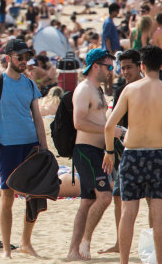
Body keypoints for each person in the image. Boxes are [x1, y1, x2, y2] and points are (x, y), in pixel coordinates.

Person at [0, 39, 47, 258]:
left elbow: (38, 119)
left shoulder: (30, 84)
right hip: (8, 146)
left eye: (26, 57)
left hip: (31, 145)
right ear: (8, 57)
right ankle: (7, 249)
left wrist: (45, 148)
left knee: (34, 196)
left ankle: (26, 242)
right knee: (7, 197)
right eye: (20, 57)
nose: (24, 61)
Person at [103, 45, 162, 264]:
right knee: (158, 214)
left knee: (128, 213)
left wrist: (109, 152)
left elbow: (109, 126)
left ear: (142, 65)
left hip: (132, 155)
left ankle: (124, 261)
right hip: (158, 155)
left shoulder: (130, 90)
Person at [67, 48, 120, 260]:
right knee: (104, 197)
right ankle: (85, 243)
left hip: (97, 151)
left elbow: (100, 120)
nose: (111, 71)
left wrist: (115, 133)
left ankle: (73, 251)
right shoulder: (84, 89)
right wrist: (109, 130)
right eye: (108, 66)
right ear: (95, 66)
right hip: (86, 151)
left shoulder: (97, 90)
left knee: (87, 202)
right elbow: (78, 122)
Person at [97, 48, 142, 255]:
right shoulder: (120, 90)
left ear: (139, 66)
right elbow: (115, 123)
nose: (125, 72)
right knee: (118, 197)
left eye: (129, 67)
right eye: (122, 68)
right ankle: (119, 243)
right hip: (125, 150)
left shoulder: (149, 87)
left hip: (146, 149)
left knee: (152, 201)